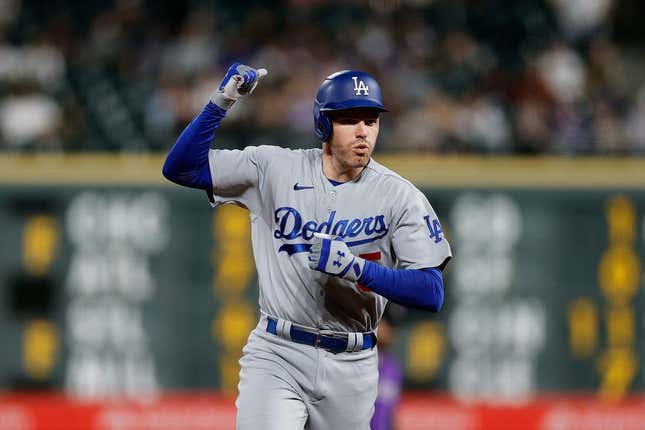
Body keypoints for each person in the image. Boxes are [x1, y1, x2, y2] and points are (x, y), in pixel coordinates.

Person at [162, 63, 451, 430]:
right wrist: (222, 101)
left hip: (353, 362)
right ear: (323, 124)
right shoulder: (273, 168)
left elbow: (431, 291)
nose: (363, 131)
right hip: (278, 351)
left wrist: (356, 269)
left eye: (371, 120)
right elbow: (181, 168)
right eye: (349, 119)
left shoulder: (399, 196)